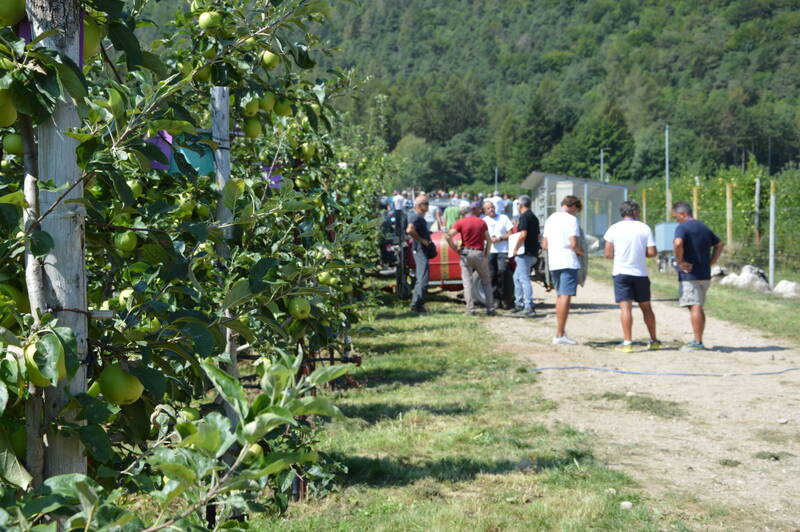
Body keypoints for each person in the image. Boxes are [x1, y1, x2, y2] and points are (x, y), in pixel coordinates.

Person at [603, 200, 661, 352]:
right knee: (646, 308)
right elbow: (652, 252)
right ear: (635, 212)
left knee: (625, 308)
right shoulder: (644, 228)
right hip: (640, 273)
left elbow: (608, 254)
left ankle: (628, 343)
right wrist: (640, 252)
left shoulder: (613, 228)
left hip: (621, 272)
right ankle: (654, 340)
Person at [672, 201, 724, 350]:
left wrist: (680, 261)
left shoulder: (682, 227)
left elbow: (677, 243)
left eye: (676, 217)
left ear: (683, 214)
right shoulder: (703, 227)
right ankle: (698, 339)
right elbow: (719, 244)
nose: (676, 220)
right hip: (704, 274)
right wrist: (711, 262)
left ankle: (697, 342)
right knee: (698, 306)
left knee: (694, 306)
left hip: (690, 274)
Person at [542, 195, 584, 344]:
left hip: (554, 261)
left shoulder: (550, 218)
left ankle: (560, 331)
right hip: (568, 261)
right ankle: (559, 334)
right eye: (576, 210)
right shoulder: (571, 220)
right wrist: (581, 252)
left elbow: (544, 245)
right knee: (566, 296)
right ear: (573, 207)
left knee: (560, 296)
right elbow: (574, 244)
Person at [446, 201, 494, 316]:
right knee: (486, 282)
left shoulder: (460, 222)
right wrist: (486, 256)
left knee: (467, 283)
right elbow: (489, 240)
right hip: (479, 254)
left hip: (466, 254)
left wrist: (455, 249)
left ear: (462, 212)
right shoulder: (481, 222)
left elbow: (448, 236)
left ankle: (470, 310)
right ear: (471, 210)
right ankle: (490, 309)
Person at [509, 194, 540, 317]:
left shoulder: (524, 217)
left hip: (524, 253)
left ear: (520, 205)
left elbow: (523, 235)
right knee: (516, 278)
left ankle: (528, 305)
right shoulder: (533, 216)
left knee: (523, 279)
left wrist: (515, 249)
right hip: (532, 252)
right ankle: (519, 303)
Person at [482, 200, 514, 309]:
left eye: (492, 207)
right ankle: (495, 299)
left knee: (503, 272)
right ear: (485, 211)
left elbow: (511, 233)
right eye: (488, 208)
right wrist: (489, 240)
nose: (490, 210)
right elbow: (481, 235)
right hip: (490, 250)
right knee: (492, 275)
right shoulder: (483, 221)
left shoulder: (503, 218)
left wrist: (500, 238)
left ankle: (505, 298)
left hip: (503, 250)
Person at [406, 194, 433, 313]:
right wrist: (422, 240)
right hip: (420, 250)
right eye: (426, 204)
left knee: (422, 277)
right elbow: (410, 229)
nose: (428, 206)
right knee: (423, 278)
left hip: (420, 250)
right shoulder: (415, 217)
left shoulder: (417, 216)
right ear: (419, 205)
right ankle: (416, 304)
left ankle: (417, 303)